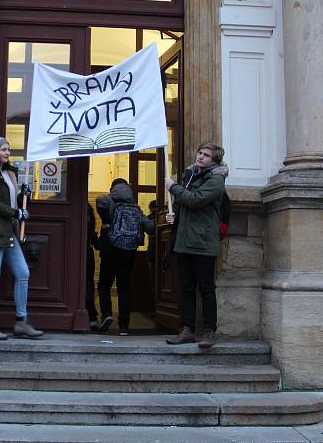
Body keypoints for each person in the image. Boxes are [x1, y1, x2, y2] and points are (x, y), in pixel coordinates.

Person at [0, 136, 43, 340]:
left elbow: (13, 202)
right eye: (4, 149)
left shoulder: (8, 172)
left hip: (8, 232)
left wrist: (24, 194)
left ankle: (21, 322)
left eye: (9, 149)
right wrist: (15, 214)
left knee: (23, 273)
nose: (7, 152)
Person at [164, 142, 228, 349]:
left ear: (215, 160)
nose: (200, 157)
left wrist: (173, 187)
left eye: (206, 155)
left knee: (206, 288)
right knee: (186, 288)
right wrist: (173, 216)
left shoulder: (216, 180)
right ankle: (186, 329)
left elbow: (195, 200)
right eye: (200, 153)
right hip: (184, 242)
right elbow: (184, 205)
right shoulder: (190, 175)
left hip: (203, 242)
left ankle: (209, 331)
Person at [96, 178, 154, 336]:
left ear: (113, 188)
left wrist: (107, 221)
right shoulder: (135, 207)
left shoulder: (109, 200)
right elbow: (150, 227)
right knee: (124, 289)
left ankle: (106, 313)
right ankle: (124, 326)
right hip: (129, 252)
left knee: (104, 285)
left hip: (110, 250)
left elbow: (99, 200)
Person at [86, 203, 99, 330]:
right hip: (87, 251)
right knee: (88, 284)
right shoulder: (89, 209)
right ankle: (92, 317)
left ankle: (91, 316)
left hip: (75, 250)